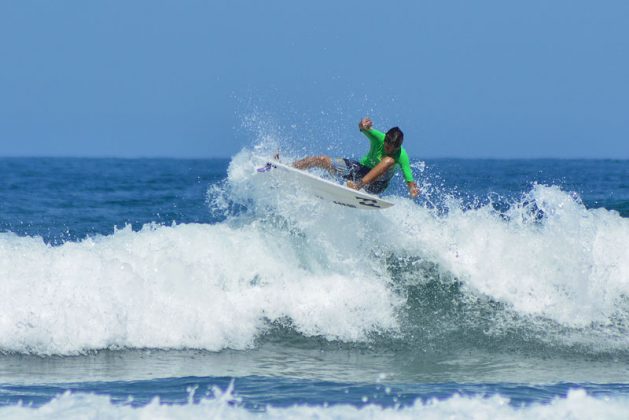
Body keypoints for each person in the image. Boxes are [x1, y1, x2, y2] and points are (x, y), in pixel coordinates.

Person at [293, 117, 419, 198]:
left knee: (389, 161)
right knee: (321, 159)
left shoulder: (402, 156)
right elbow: (362, 127)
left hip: (377, 184)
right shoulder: (379, 138)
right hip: (361, 170)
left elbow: (409, 178)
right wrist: (362, 123)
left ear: (398, 147)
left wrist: (413, 189)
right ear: (385, 138)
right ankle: (290, 167)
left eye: (392, 148)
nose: (388, 149)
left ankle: (357, 186)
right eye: (387, 145)